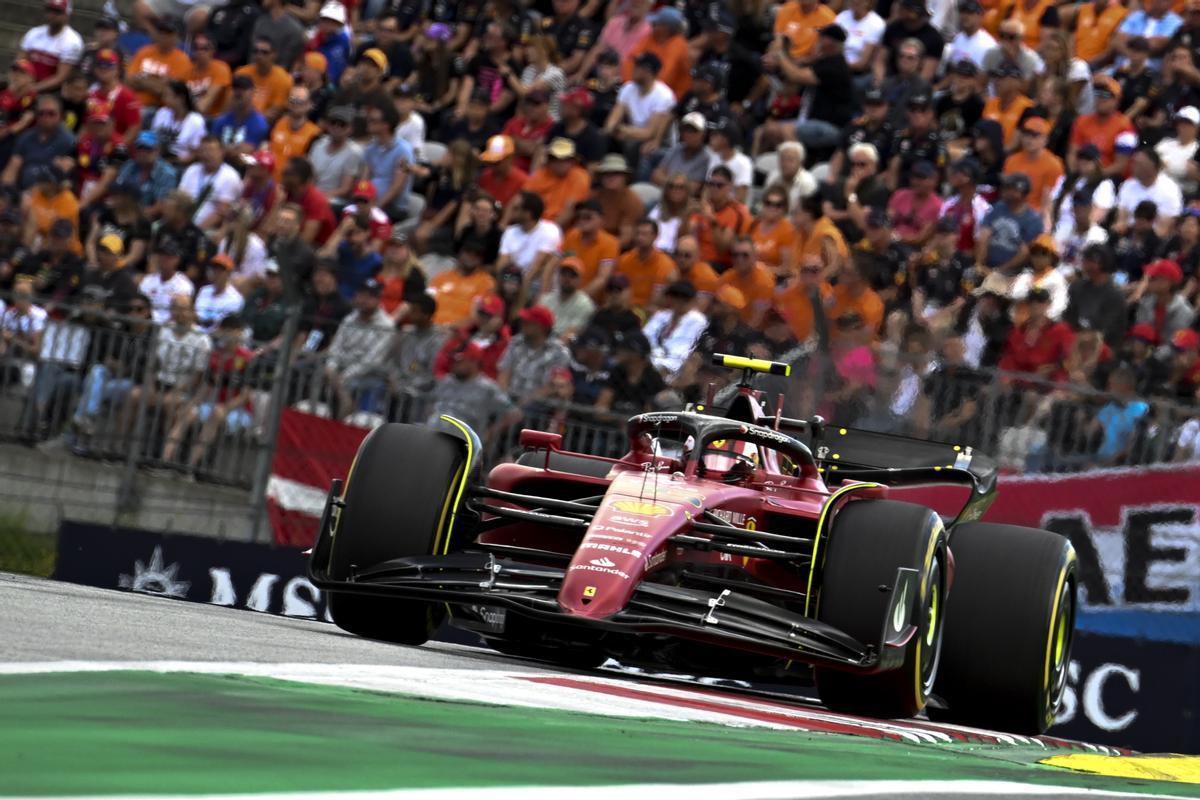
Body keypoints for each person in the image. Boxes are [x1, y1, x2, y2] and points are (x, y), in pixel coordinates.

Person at [160, 314, 255, 473]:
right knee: (186, 413)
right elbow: (207, 386)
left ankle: (189, 466)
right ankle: (164, 461)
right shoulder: (216, 355)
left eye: (235, 331)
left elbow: (245, 396)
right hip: (213, 406)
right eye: (228, 330)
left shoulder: (247, 358)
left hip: (238, 412)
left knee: (216, 414)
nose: (232, 334)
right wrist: (193, 403)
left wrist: (224, 408)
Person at [428, 342, 521, 441]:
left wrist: (489, 434)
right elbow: (430, 405)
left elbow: (514, 414)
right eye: (452, 361)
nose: (453, 364)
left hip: (462, 441)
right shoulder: (446, 381)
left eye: (459, 361)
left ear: (474, 361)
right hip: (432, 435)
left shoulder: (487, 388)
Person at [603, 51, 675, 169]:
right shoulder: (628, 88)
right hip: (631, 134)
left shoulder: (664, 95)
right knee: (603, 138)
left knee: (640, 148)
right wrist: (612, 130)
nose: (634, 69)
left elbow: (649, 133)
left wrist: (623, 130)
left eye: (638, 67)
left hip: (659, 142)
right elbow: (611, 122)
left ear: (648, 72)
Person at [498, 304, 571, 404]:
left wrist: (521, 405)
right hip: (509, 399)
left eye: (528, 322)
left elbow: (552, 387)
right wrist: (504, 401)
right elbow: (504, 374)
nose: (522, 324)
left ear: (541, 327)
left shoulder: (560, 352)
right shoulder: (516, 342)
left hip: (538, 405)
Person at [497, 191, 562, 300]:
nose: (510, 211)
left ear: (528, 213)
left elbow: (536, 267)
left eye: (516, 208)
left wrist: (518, 289)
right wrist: (508, 283)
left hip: (536, 285)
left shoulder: (550, 230)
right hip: (511, 282)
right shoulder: (510, 231)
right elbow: (502, 265)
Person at [976, 172, 1043, 273]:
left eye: (1009, 188)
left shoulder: (1033, 219)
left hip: (1014, 273)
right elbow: (984, 236)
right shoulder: (998, 207)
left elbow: (1024, 253)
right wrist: (979, 264)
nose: (1004, 190)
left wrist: (998, 271)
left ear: (1021, 192)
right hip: (988, 266)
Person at [643, 280, 707, 378]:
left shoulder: (697, 320)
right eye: (675, 296)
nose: (678, 301)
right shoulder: (661, 316)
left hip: (674, 368)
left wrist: (661, 363)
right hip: (648, 361)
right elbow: (645, 337)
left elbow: (683, 350)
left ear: (692, 300)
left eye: (684, 298)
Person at [178, 135, 243, 231]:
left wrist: (195, 231)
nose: (206, 154)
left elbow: (221, 213)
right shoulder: (192, 170)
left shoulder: (230, 177)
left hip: (208, 229)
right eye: (203, 150)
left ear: (221, 152)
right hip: (182, 222)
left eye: (211, 150)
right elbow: (180, 199)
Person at [428, 239, 498, 327]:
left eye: (477, 254)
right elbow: (425, 302)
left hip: (457, 332)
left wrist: (449, 327)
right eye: (468, 252)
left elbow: (476, 317)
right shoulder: (442, 277)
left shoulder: (486, 283)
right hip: (430, 327)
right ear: (459, 253)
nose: (472, 256)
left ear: (482, 259)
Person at [18, 0, 84, 95]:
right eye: (49, 10)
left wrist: (33, 89)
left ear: (67, 15)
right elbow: (19, 62)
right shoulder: (33, 33)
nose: (52, 15)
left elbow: (60, 78)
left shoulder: (73, 41)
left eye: (57, 11)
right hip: (26, 85)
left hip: (52, 92)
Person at [522, 137, 591, 228]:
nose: (560, 162)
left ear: (573, 161)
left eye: (565, 159)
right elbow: (524, 202)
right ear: (549, 160)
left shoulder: (580, 176)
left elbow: (571, 210)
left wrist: (550, 231)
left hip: (563, 229)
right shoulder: (539, 176)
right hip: (534, 225)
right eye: (555, 158)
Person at [126, 18, 192, 110]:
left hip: (159, 108)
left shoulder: (182, 60)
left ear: (176, 37)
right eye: (161, 32)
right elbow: (128, 81)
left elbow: (167, 92)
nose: (163, 36)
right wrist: (158, 82)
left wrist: (142, 79)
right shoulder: (144, 52)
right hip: (132, 103)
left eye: (168, 33)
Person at [617, 218, 677, 309]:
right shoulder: (624, 260)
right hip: (624, 309)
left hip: (649, 311)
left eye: (644, 234)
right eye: (638, 234)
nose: (640, 238)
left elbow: (658, 300)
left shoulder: (665, 265)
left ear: (655, 236)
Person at [268, 87, 321, 181]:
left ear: (309, 104)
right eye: (293, 100)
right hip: (269, 180)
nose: (296, 104)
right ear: (288, 103)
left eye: (300, 101)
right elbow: (266, 149)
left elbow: (309, 166)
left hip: (292, 185)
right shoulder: (278, 124)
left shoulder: (314, 133)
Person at [210, 75, 270, 158]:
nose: (239, 92)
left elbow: (245, 152)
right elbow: (212, 147)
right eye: (235, 89)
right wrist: (233, 149)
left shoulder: (259, 123)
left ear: (252, 92)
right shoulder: (221, 120)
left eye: (243, 89)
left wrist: (223, 148)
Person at [538, 257, 596, 339]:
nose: (567, 278)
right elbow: (536, 327)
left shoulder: (585, 304)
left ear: (580, 280)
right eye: (563, 274)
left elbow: (571, 334)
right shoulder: (546, 299)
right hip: (541, 341)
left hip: (565, 347)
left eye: (572, 275)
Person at [193, 254, 245, 332]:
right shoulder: (204, 290)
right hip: (196, 333)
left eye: (221, 271)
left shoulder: (235, 299)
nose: (216, 273)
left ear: (229, 273)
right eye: (214, 269)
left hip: (217, 338)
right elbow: (195, 315)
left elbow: (225, 327)